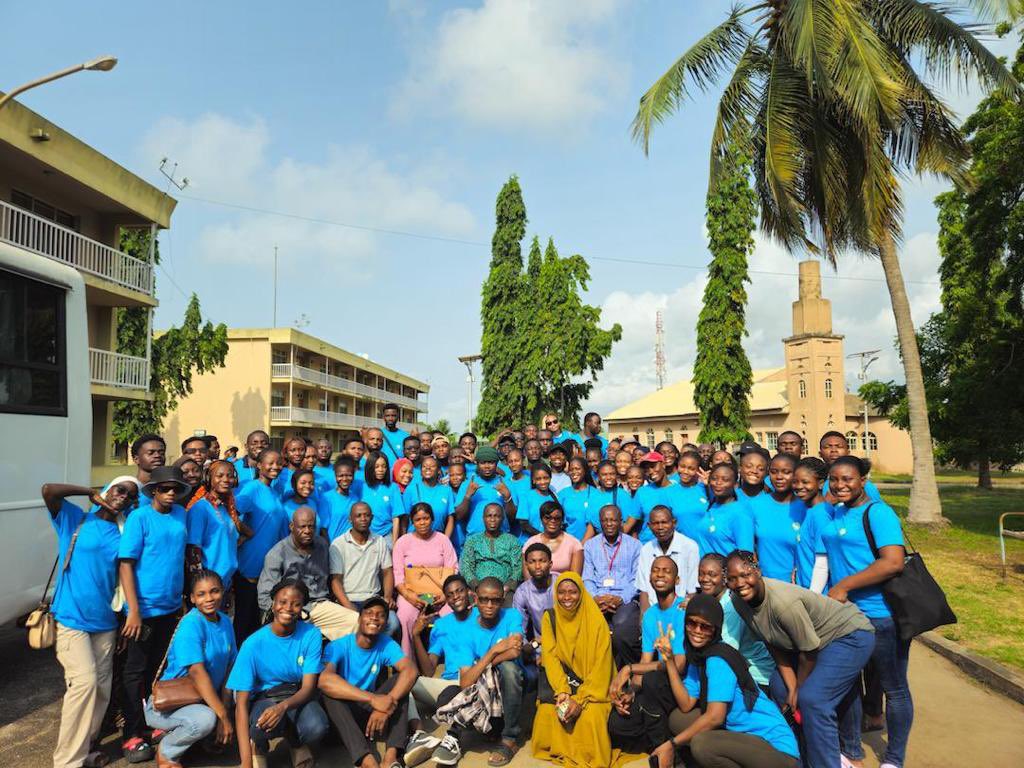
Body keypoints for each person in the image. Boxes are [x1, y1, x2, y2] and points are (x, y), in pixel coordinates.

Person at [726, 551, 875, 768]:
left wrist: (798, 689)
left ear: (757, 571)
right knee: (779, 687)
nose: (740, 583)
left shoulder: (783, 603)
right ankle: (800, 756)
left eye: (745, 574)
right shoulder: (739, 602)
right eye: (732, 578)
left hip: (849, 635)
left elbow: (809, 650)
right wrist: (791, 687)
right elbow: (771, 640)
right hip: (814, 644)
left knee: (812, 699)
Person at [632, 593, 801, 768]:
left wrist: (671, 744)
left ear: (716, 629)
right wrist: (669, 662)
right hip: (741, 734)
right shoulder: (699, 657)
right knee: (677, 719)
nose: (697, 631)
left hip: (776, 750)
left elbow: (715, 717)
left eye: (705, 627)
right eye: (692, 623)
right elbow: (686, 704)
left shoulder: (718, 660)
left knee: (702, 744)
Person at [819, 455, 912, 768]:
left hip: (880, 615)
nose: (840, 485)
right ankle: (853, 753)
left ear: (863, 481)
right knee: (846, 685)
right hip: (845, 617)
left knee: (893, 688)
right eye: (834, 479)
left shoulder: (878, 513)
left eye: (848, 479)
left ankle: (894, 759)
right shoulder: (836, 513)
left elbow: (893, 562)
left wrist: (844, 585)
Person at [44, 479, 138, 768]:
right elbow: (48, 490)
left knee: (100, 690)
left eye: (130, 495)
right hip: (72, 618)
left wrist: (126, 615)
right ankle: (67, 762)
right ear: (108, 489)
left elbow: (124, 578)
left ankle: (84, 749)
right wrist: (90, 493)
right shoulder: (75, 519)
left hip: (106, 623)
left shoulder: (124, 533)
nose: (123, 497)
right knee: (83, 684)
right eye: (119, 490)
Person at [117, 465, 191, 762]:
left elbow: (181, 557)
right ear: (153, 491)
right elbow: (125, 564)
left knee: (157, 671)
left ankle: (153, 724)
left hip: (171, 607)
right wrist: (133, 611)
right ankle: (132, 733)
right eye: (165, 489)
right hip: (143, 610)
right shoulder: (140, 517)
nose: (171, 493)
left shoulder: (181, 515)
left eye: (175, 488)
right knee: (134, 671)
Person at [532, 572, 631, 768]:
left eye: (572, 592)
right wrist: (562, 691)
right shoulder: (550, 617)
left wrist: (580, 699)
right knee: (547, 712)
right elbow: (550, 658)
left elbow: (602, 666)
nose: (567, 598)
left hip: (594, 688)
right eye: (561, 592)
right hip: (566, 684)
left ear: (582, 593)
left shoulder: (596, 620)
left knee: (590, 717)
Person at [228, 579, 328, 768]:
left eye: (296, 604)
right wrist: (245, 762)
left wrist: (282, 708)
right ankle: (257, 745)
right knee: (260, 725)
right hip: (264, 698)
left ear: (302, 608)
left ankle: (296, 744)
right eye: (282, 602)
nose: (288, 608)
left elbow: (308, 687)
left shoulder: (311, 634)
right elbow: (240, 704)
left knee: (317, 727)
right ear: (273, 604)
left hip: (295, 695)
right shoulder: (252, 644)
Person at [145, 570, 237, 768]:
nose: (209, 598)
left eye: (214, 591)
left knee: (242, 697)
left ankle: (200, 741)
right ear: (193, 599)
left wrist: (227, 710)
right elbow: (197, 673)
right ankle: (167, 752)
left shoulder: (225, 623)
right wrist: (222, 716)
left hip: (201, 699)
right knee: (205, 720)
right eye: (201, 594)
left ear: (223, 592)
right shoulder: (191, 624)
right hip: (169, 705)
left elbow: (230, 667)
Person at [429, 578, 524, 767]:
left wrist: (482, 664)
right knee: (451, 694)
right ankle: (465, 736)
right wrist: (494, 651)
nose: (490, 605)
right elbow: (465, 682)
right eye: (484, 599)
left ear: (503, 598)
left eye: (496, 600)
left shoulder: (512, 615)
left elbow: (514, 651)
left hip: (507, 687)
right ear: (476, 599)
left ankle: (509, 738)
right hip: (484, 695)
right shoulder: (467, 633)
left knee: (508, 668)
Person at [319, 598, 417, 768]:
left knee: (399, 681)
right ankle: (366, 760)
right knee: (330, 694)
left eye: (380, 615)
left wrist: (387, 704)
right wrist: (373, 699)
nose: (374, 618)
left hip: (367, 718)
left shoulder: (386, 644)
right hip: (338, 722)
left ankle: (390, 758)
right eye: (369, 613)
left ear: (385, 623)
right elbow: (324, 680)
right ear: (359, 619)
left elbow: (411, 671)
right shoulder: (338, 646)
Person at [406, 575, 477, 766]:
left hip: (473, 683)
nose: (456, 597)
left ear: (468, 592)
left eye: (460, 591)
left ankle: (453, 740)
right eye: (450, 594)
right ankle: (420, 735)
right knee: (404, 681)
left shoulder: (482, 616)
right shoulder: (441, 625)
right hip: (447, 685)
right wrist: (416, 636)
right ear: (446, 598)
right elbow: (429, 670)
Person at [258, 506, 358, 641]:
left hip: (319, 606)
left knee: (357, 622)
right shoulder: (277, 554)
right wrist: (284, 612)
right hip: (291, 609)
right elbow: (265, 596)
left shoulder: (322, 545)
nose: (307, 531)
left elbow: (330, 579)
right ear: (292, 526)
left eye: (311, 527)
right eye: (302, 527)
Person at [696, 553, 776, 699]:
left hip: (757, 678)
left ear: (725, 578)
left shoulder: (730, 606)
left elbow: (727, 651)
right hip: (740, 670)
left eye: (712, 574)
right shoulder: (715, 603)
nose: (705, 579)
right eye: (701, 574)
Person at [233, 449, 289, 644]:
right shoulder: (252, 489)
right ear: (259, 465)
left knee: (260, 622)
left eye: (279, 463)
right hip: (250, 564)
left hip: (269, 566)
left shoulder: (274, 492)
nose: (276, 467)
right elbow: (232, 512)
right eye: (271, 463)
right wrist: (246, 533)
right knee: (244, 621)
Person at [393, 502, 459, 654]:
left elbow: (453, 568)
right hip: (412, 594)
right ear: (412, 521)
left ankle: (450, 659)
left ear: (432, 519)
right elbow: (397, 575)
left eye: (426, 518)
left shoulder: (442, 540)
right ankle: (408, 661)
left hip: (440, 595)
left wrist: (445, 595)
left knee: (452, 613)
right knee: (404, 616)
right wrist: (410, 596)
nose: (422, 522)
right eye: (418, 519)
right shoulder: (403, 542)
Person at [329, 502, 400, 638]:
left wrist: (387, 597)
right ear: (350, 519)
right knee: (353, 625)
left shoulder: (379, 541)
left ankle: (380, 657)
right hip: (348, 599)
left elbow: (387, 572)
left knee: (393, 623)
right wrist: (349, 606)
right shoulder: (338, 544)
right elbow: (335, 581)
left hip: (372, 599)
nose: (363, 519)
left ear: (372, 518)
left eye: (367, 515)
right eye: (359, 516)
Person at [582, 505, 642, 666]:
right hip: (598, 597)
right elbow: (587, 577)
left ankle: (625, 670)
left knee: (621, 625)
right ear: (600, 522)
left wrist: (620, 598)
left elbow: (636, 579)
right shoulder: (590, 546)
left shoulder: (635, 545)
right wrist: (596, 597)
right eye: (605, 520)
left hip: (625, 599)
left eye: (613, 520)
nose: (609, 524)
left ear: (621, 521)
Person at [187, 459, 251, 592]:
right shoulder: (201, 508)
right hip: (208, 584)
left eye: (230, 476)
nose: (226, 479)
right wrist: (200, 584)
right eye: (220, 476)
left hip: (226, 581)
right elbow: (193, 549)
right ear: (209, 478)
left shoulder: (225, 508)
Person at [749, 453, 807, 582]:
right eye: (774, 472)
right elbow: (747, 544)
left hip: (797, 584)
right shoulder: (756, 505)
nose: (779, 477)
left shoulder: (806, 507)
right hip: (764, 584)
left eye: (786, 472)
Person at [636, 506, 699, 612]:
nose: (660, 527)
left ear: (674, 523)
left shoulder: (690, 547)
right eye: (655, 523)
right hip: (653, 610)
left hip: (680, 609)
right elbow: (644, 591)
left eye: (664, 522)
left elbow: (692, 590)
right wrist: (645, 618)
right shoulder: (646, 549)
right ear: (649, 526)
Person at [694, 463, 754, 558]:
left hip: (725, 571)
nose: (718, 482)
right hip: (705, 570)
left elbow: (746, 555)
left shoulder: (740, 514)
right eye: (714, 478)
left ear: (735, 484)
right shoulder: (712, 505)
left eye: (725, 480)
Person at [459, 503, 521, 596]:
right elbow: (466, 568)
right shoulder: (472, 541)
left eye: (497, 516)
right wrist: (476, 587)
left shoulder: (512, 541)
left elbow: (518, 568)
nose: (492, 520)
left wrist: (508, 587)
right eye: (489, 516)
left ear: (503, 519)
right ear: (483, 518)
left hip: (505, 591)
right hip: (477, 590)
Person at [791, 457, 833, 590]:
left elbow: (822, 563)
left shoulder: (820, 515)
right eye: (795, 482)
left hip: (817, 593)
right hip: (804, 587)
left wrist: (812, 597)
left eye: (805, 482)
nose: (798, 486)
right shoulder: (810, 511)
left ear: (821, 483)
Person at [512, 543, 555, 658]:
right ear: (526, 565)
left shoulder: (562, 584)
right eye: (532, 562)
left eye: (542, 561)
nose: (537, 566)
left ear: (550, 564)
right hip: (540, 648)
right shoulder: (522, 592)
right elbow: (519, 628)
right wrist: (530, 646)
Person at [523, 502, 583, 579]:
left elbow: (575, 579)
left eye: (557, 518)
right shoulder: (530, 543)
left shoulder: (574, 544)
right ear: (541, 519)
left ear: (562, 520)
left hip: (564, 589)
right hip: (536, 589)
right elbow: (528, 580)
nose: (552, 521)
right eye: (548, 518)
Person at [625, 451, 674, 544]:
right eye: (646, 469)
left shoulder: (677, 490)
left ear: (663, 464)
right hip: (648, 546)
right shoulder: (642, 492)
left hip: (674, 547)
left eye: (653, 466)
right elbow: (629, 524)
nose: (650, 471)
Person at [819, 432, 883, 502]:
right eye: (827, 447)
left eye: (839, 447)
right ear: (820, 453)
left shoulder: (864, 486)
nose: (834, 450)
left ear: (848, 452)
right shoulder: (818, 480)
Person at [587, 461, 640, 539]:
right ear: (598, 476)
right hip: (598, 540)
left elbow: (628, 526)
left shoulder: (622, 495)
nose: (608, 477)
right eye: (604, 474)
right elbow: (592, 525)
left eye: (612, 474)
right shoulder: (593, 495)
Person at [405, 455, 454, 537]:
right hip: (414, 538)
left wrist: (445, 540)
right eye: (424, 466)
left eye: (432, 466)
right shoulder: (411, 489)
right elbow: (404, 519)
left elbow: (451, 518)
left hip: (437, 538)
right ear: (420, 471)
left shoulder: (447, 490)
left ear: (439, 470)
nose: (428, 468)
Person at [665, 450, 709, 539]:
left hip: (707, 546)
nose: (685, 471)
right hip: (682, 547)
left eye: (691, 468)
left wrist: (709, 486)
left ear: (698, 470)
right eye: (682, 467)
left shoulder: (706, 488)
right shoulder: (668, 492)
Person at [362, 451, 404, 543]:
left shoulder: (393, 488)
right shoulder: (362, 487)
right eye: (377, 466)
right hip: (365, 536)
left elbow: (396, 518)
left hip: (386, 535)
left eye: (384, 466)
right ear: (370, 467)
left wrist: (394, 543)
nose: (381, 469)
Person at [321, 456, 362, 540]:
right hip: (334, 546)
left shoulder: (356, 498)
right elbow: (323, 529)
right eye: (341, 475)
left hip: (352, 546)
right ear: (335, 476)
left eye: (349, 475)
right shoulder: (326, 498)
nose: (345, 479)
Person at [514, 463, 559, 538]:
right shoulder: (526, 497)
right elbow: (524, 525)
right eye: (538, 479)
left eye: (546, 478)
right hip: (529, 543)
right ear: (533, 480)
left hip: (549, 543)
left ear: (550, 478)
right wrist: (543, 536)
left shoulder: (555, 498)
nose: (543, 482)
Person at [556, 456, 596, 540]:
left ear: (585, 470)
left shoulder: (595, 493)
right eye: (571, 469)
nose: (574, 472)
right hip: (567, 542)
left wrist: (582, 545)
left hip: (589, 543)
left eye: (577, 469)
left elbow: (594, 524)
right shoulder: (562, 494)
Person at [284, 469, 321, 535]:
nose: (308, 486)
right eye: (303, 483)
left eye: (311, 483)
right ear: (293, 484)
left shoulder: (313, 503)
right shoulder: (286, 508)